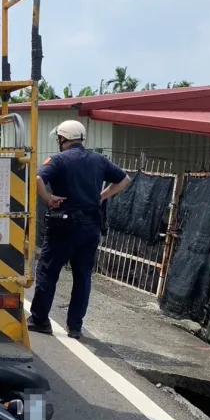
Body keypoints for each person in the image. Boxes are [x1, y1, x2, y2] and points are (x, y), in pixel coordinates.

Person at [27, 120, 131, 339]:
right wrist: (102, 196)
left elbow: (37, 178)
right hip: (91, 226)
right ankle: (75, 327)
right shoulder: (99, 160)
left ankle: (40, 320)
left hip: (63, 227)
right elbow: (124, 180)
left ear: (63, 138)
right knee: (82, 276)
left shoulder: (58, 160)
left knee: (48, 271)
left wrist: (48, 198)